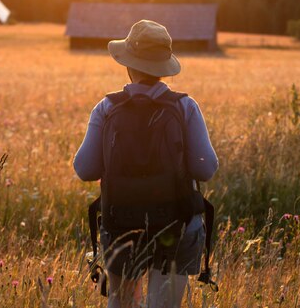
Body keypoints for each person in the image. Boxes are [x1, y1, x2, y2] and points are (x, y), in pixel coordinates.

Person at [74, 19, 218, 308]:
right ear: (164, 67)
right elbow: (207, 169)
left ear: (129, 63)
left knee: (122, 301)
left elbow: (85, 169)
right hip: (175, 228)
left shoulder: (106, 108)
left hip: (120, 226)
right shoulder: (185, 107)